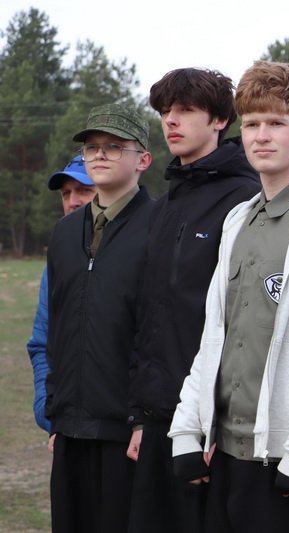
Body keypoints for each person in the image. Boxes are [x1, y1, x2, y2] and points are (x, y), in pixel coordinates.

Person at [168, 60, 289, 533]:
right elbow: (214, 336)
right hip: (230, 454)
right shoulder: (237, 220)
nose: (261, 136)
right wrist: (186, 428)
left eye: (276, 123)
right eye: (252, 124)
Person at [127, 67, 260, 533]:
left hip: (212, 425)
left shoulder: (246, 198)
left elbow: (245, 322)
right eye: (165, 111)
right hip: (158, 418)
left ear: (220, 119)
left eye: (185, 110)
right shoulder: (164, 206)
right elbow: (148, 313)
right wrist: (140, 416)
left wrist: (218, 421)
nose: (171, 120)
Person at [46, 103, 155, 533]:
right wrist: (55, 412)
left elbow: (160, 331)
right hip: (70, 425)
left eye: (113, 146)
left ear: (143, 159)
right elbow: (57, 327)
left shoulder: (160, 226)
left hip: (126, 431)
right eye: (92, 147)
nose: (100, 155)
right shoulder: (64, 233)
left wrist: (145, 418)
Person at [26, 156, 95, 433]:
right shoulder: (59, 257)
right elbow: (41, 344)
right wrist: (48, 409)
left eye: (84, 190)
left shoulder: (143, 247)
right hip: (66, 427)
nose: (72, 202)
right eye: (66, 193)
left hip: (121, 434)